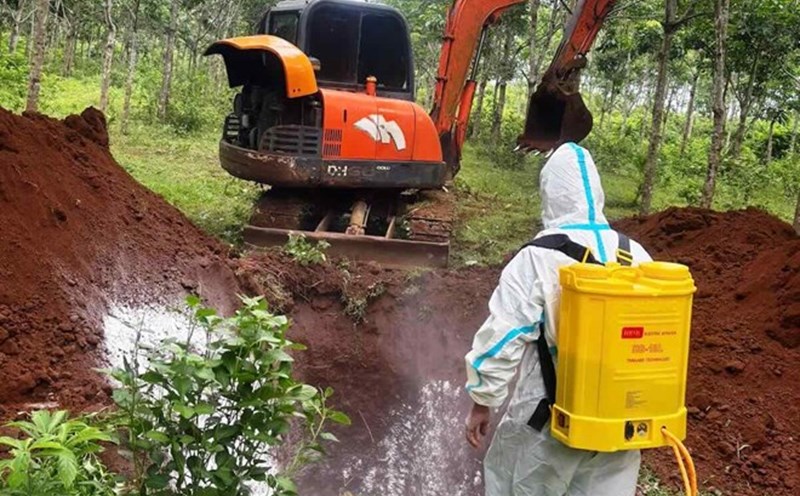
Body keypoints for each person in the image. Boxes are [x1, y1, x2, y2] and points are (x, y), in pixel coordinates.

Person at [464, 142, 651, 496]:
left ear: (549, 192)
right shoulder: (637, 254)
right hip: (619, 425)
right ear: (597, 192)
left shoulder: (538, 256)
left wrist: (482, 402)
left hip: (546, 423)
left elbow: (504, 336)